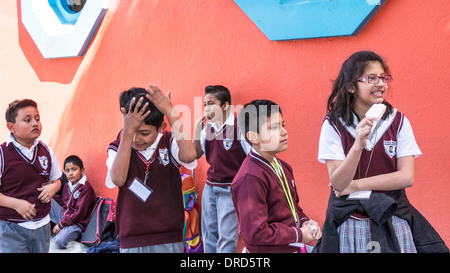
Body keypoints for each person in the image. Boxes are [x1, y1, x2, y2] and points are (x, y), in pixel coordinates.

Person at [315, 51, 448, 253]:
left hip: (392, 217)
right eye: (371, 78)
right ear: (351, 86)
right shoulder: (334, 124)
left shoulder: (398, 121)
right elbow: (338, 182)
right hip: (350, 222)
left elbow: (406, 176)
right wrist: (358, 144)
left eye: (383, 77)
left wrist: (356, 185)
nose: (381, 84)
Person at [105, 85, 197, 253]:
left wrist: (170, 112)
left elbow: (190, 155)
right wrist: (127, 132)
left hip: (169, 237)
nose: (137, 139)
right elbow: (117, 179)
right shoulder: (118, 147)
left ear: (161, 127)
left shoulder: (168, 142)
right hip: (132, 240)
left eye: (145, 133)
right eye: (133, 132)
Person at [231, 99, 321, 253]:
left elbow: (293, 208)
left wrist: (305, 223)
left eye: (282, 125)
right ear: (253, 137)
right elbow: (255, 234)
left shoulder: (283, 167)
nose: (284, 131)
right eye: (273, 127)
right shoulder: (250, 178)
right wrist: (299, 234)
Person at [193, 85, 250, 253]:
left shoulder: (239, 127)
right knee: (209, 234)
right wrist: (197, 131)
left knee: (226, 238)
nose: (206, 108)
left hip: (231, 188)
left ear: (225, 106)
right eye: (205, 104)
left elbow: (252, 158)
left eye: (211, 103)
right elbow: (196, 154)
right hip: (210, 187)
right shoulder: (207, 129)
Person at [0, 99, 62, 253]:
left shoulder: (45, 150)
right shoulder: (2, 154)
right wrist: (15, 204)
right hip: (11, 227)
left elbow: (57, 179)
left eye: (37, 118)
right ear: (11, 127)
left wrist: (53, 188)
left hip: (42, 226)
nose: (35, 123)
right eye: (27, 120)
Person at [50, 155, 96, 249]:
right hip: (65, 216)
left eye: (74, 169)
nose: (70, 173)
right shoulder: (67, 185)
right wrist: (52, 195)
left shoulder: (85, 188)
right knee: (47, 199)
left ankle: (73, 235)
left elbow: (79, 214)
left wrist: (61, 224)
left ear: (82, 170)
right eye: (67, 171)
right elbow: (63, 202)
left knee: (59, 241)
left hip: (77, 223)